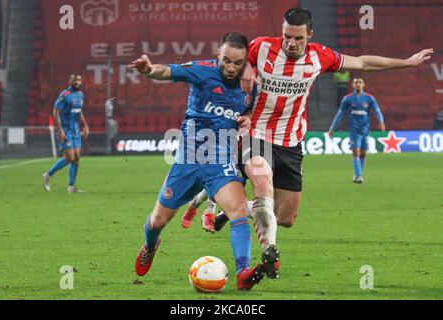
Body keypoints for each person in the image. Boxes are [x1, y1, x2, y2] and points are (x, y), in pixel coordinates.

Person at [183, 7, 434, 278]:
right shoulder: (261, 47)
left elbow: (361, 62)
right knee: (262, 179)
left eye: (297, 38)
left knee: (287, 217)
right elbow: (227, 61)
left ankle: (230, 211)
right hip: (256, 134)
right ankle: (270, 252)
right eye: (286, 36)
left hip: (291, 142)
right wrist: (244, 67)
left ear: (309, 36)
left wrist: (406, 62)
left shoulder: (319, 56)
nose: (290, 43)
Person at [128, 32, 267, 291]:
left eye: (238, 63)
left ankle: (243, 271)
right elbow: (165, 71)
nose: (231, 67)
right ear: (218, 54)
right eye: (226, 60)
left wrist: (248, 118)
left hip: (220, 163)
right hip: (188, 161)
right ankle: (150, 245)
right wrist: (148, 70)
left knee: (237, 211)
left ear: (246, 61)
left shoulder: (251, 85)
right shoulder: (201, 70)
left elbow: (250, 111)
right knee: (158, 221)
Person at [328, 77, 385, 183]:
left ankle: (357, 174)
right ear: (353, 85)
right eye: (356, 82)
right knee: (356, 152)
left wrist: (381, 121)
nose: (358, 84)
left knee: (363, 153)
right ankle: (359, 176)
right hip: (354, 130)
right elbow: (340, 114)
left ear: (363, 84)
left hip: (365, 130)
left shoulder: (369, 98)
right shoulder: (348, 99)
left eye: (360, 82)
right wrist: (332, 129)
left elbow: (377, 110)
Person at [43, 74, 89, 193]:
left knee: (77, 157)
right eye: (74, 80)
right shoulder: (65, 95)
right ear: (70, 81)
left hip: (75, 130)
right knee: (69, 157)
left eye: (79, 80)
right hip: (65, 130)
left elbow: (79, 111)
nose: (77, 82)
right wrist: (60, 130)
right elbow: (56, 111)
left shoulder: (80, 95)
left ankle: (71, 187)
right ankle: (47, 175)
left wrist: (85, 125)